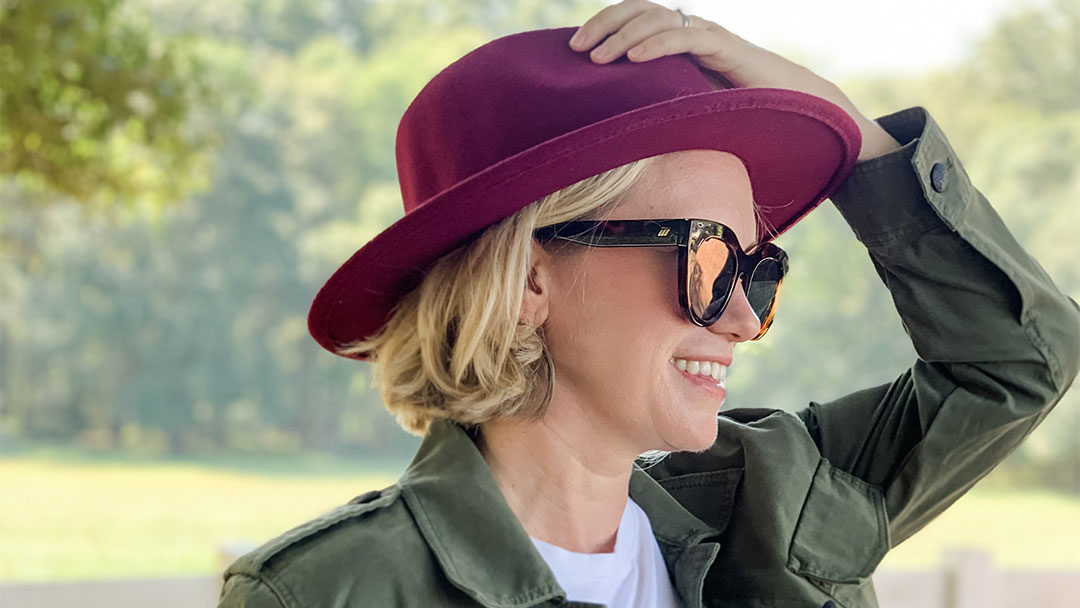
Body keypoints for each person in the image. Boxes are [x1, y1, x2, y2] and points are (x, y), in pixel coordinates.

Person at [218, 2, 1080, 607]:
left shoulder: (779, 495)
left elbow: (1018, 360)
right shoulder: (325, 593)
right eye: (709, 260)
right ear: (527, 278)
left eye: (760, 271)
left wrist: (850, 131)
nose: (744, 320)